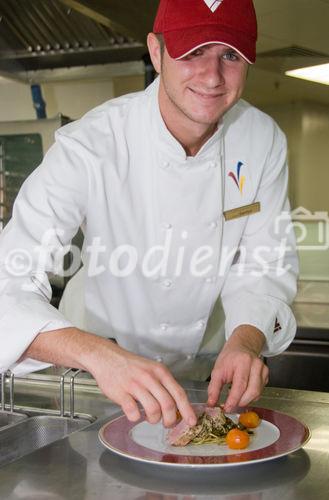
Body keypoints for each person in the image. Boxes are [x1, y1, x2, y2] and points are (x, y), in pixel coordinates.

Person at [0, 0, 297, 428]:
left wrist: (246, 340)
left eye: (230, 55)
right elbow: (9, 279)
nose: (212, 77)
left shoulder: (262, 139)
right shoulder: (91, 143)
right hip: (94, 375)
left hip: (201, 376)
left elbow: (263, 265)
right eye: (193, 52)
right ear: (156, 52)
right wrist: (100, 355)